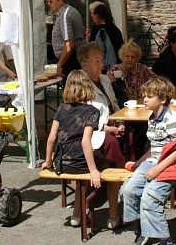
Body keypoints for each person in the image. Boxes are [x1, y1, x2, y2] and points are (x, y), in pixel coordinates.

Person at [41, 70, 120, 229]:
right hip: (80, 164)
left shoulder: (62, 108)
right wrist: (93, 170)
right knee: (113, 168)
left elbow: (51, 138)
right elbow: (85, 142)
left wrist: (48, 161)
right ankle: (113, 216)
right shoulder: (92, 112)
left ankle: (77, 215)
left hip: (61, 163)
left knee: (79, 178)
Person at [122, 76, 176, 245]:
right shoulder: (152, 117)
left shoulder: (173, 119)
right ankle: (144, 227)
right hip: (153, 162)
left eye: (149, 96)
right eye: (144, 95)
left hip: (168, 165)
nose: (145, 99)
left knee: (150, 198)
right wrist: (137, 164)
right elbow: (154, 147)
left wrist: (157, 169)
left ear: (163, 99)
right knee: (128, 189)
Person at [77, 43, 126, 168]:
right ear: (84, 65)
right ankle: (119, 176)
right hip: (91, 130)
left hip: (110, 123)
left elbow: (114, 104)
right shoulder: (78, 83)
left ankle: (130, 167)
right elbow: (80, 117)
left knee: (132, 132)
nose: (101, 64)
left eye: (101, 60)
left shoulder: (104, 79)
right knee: (111, 142)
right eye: (96, 61)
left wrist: (120, 122)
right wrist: (106, 128)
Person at [47, 0, 86, 77]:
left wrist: (60, 64)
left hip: (70, 60)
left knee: (71, 87)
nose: (49, 4)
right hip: (74, 57)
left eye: (51, 1)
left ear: (60, 1)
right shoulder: (70, 11)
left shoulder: (65, 15)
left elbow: (69, 44)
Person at [88, 2, 123, 69]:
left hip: (100, 66)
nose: (92, 16)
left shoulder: (96, 30)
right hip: (116, 66)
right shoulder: (115, 30)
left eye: (94, 14)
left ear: (98, 15)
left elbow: (92, 48)